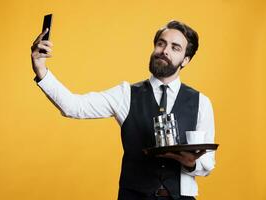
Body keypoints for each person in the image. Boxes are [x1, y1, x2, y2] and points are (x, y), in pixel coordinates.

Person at [30, 20, 215, 200]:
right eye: (161, 44)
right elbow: (73, 106)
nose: (165, 51)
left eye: (175, 48)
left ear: (186, 60)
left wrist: (191, 164)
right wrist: (41, 69)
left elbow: (208, 163)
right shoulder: (126, 94)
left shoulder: (201, 102)